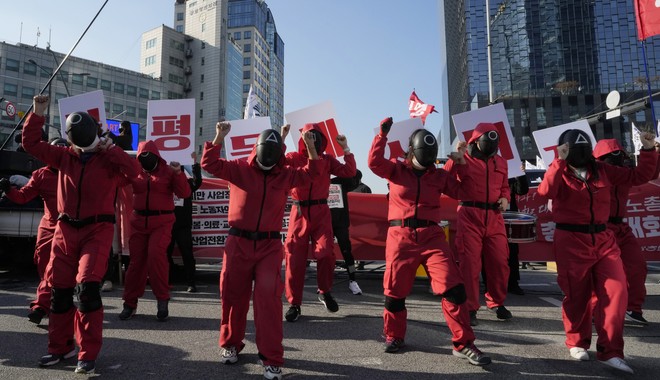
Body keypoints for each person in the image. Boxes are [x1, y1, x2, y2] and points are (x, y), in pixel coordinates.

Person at [23, 95, 138, 374]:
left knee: (87, 290)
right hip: (65, 229)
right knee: (59, 293)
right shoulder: (64, 157)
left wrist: (109, 148)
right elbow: (31, 144)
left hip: (97, 230)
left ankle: (87, 353)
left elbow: (134, 170)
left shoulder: (108, 159)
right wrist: (38, 113)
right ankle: (59, 348)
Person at [201, 122, 320, 380]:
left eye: (273, 156)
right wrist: (219, 135)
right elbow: (209, 164)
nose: (268, 160)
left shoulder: (284, 173)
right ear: (256, 149)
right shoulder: (239, 168)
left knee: (268, 301)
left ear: (279, 156)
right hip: (238, 242)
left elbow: (312, 173)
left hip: (268, 245)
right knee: (233, 297)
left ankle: (272, 359)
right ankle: (231, 344)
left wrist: (311, 148)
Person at [367, 117, 491, 365]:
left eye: (431, 159)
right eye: (423, 158)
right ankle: (394, 336)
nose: (427, 164)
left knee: (454, 288)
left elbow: (464, 192)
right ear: (412, 151)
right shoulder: (396, 169)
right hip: (400, 236)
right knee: (394, 293)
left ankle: (463, 343)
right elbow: (373, 163)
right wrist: (381, 136)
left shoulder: (437, 175)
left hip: (432, 236)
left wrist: (462, 163)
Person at [537, 129, 657, 374]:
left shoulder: (603, 170)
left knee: (617, 291)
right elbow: (545, 191)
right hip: (570, 239)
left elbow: (639, 175)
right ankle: (577, 341)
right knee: (577, 294)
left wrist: (647, 150)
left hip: (603, 238)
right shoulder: (559, 170)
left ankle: (610, 351)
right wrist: (559, 161)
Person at [280, 123, 356, 322]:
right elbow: (276, 163)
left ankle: (324, 291)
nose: (313, 140)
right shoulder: (294, 158)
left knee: (326, 253)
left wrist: (345, 148)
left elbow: (349, 172)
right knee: (294, 259)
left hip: (322, 211)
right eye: (310, 137)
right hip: (299, 210)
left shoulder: (328, 159)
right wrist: (281, 137)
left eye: (317, 137)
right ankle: (294, 304)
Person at [443, 123, 511, 326]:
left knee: (499, 262)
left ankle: (497, 302)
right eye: (487, 141)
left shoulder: (501, 162)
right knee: (470, 264)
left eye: (494, 142)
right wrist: (456, 156)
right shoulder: (465, 158)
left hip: (494, 216)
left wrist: (505, 198)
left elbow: (505, 186)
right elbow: (445, 178)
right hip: (469, 215)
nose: (491, 145)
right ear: (476, 141)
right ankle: (470, 307)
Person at [119, 140, 191, 321]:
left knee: (156, 257)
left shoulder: (169, 171)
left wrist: (179, 174)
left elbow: (184, 193)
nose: (145, 159)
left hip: (162, 222)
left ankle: (162, 299)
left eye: (148, 155)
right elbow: (114, 180)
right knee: (136, 264)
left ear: (157, 156)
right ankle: (129, 303)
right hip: (138, 221)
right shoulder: (135, 170)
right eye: (141, 157)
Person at [592, 138, 660, 325]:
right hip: (599, 229)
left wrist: (651, 152)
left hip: (620, 227)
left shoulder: (623, 173)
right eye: (611, 156)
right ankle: (593, 309)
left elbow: (646, 174)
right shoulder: (590, 173)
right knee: (600, 271)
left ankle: (633, 308)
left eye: (619, 155)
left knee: (637, 266)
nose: (616, 159)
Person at [0, 137, 68, 324]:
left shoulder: (75, 174)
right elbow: (23, 197)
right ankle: (51, 302)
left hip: (69, 227)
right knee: (44, 265)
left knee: (54, 268)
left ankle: (41, 305)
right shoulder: (40, 175)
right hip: (47, 226)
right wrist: (9, 190)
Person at [167, 151, 203, 293]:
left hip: (183, 226)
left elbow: (198, 181)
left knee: (187, 255)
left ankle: (191, 283)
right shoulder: (166, 184)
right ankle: (167, 281)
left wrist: (194, 162)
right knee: (163, 255)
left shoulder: (187, 183)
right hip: (167, 225)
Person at [330, 169, 367, 295]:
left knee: (347, 253)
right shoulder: (321, 181)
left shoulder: (342, 181)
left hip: (341, 224)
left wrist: (345, 170)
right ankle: (324, 283)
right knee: (325, 255)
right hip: (325, 224)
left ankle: (353, 280)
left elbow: (355, 175)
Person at [506, 170, 529, 295]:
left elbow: (522, 190)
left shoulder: (510, 173)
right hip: (490, 214)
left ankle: (513, 283)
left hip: (509, 217)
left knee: (512, 250)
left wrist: (520, 174)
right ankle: (489, 283)